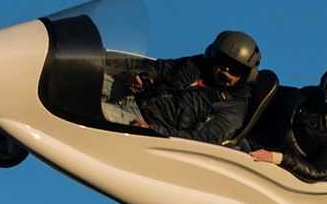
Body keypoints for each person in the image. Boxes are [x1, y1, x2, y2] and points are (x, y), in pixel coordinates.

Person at [102, 30, 261, 145]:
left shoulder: (232, 111)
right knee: (85, 75)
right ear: (214, 56)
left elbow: (196, 139)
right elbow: (165, 67)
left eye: (236, 69)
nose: (227, 70)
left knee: (90, 109)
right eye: (224, 62)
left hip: (141, 121)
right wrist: (143, 74)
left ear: (246, 76)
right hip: (132, 95)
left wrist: (153, 130)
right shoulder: (198, 65)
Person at [246, 60, 327, 182]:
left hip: (270, 169)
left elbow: (320, 171)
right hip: (250, 140)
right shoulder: (305, 95)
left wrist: (281, 158)